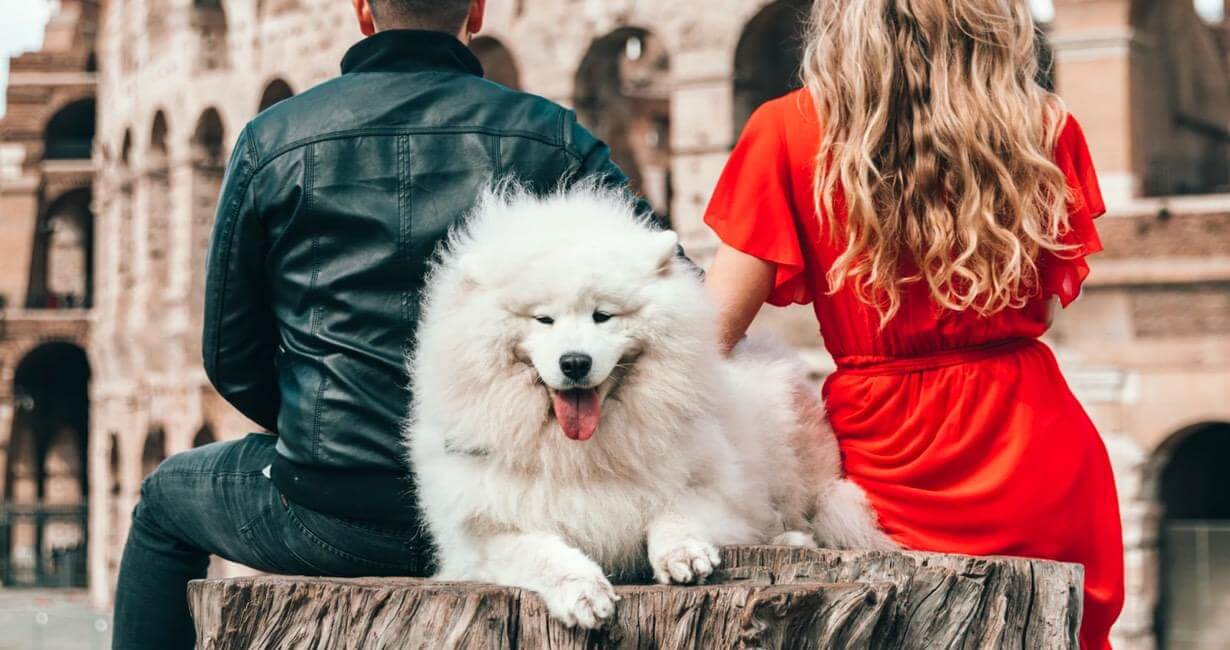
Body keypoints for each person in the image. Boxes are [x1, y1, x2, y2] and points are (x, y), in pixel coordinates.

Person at [112, 1, 643, 647]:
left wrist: (318, 431)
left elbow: (230, 352)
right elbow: (660, 281)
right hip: (506, 502)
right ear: (476, 11)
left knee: (165, 501)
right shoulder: (548, 134)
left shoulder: (272, 139)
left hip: (332, 509)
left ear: (362, 11)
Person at [703, 1, 1124, 648]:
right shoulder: (1043, 126)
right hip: (1033, 450)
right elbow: (1044, 297)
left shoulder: (787, 131)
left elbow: (708, 337)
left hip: (884, 458)